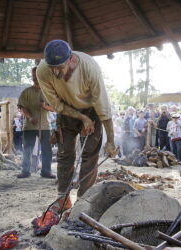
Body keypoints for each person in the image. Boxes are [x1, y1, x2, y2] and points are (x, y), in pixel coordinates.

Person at [37, 40, 116, 210]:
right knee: (65, 154)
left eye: (60, 67)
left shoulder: (89, 68)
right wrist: (81, 117)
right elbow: (56, 105)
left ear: (71, 60)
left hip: (92, 109)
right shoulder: (43, 70)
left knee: (89, 156)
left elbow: (103, 108)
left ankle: (83, 199)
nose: (55, 72)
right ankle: (62, 198)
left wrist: (110, 141)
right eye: (52, 67)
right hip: (66, 110)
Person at [17, 67, 55, 179]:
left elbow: (55, 108)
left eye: (37, 76)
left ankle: (46, 171)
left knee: (47, 149)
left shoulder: (48, 91)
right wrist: (30, 117)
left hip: (45, 126)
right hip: (29, 126)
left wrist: (45, 106)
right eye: (33, 76)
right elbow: (22, 108)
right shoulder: (26, 92)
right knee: (27, 149)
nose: (35, 79)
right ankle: (25, 171)